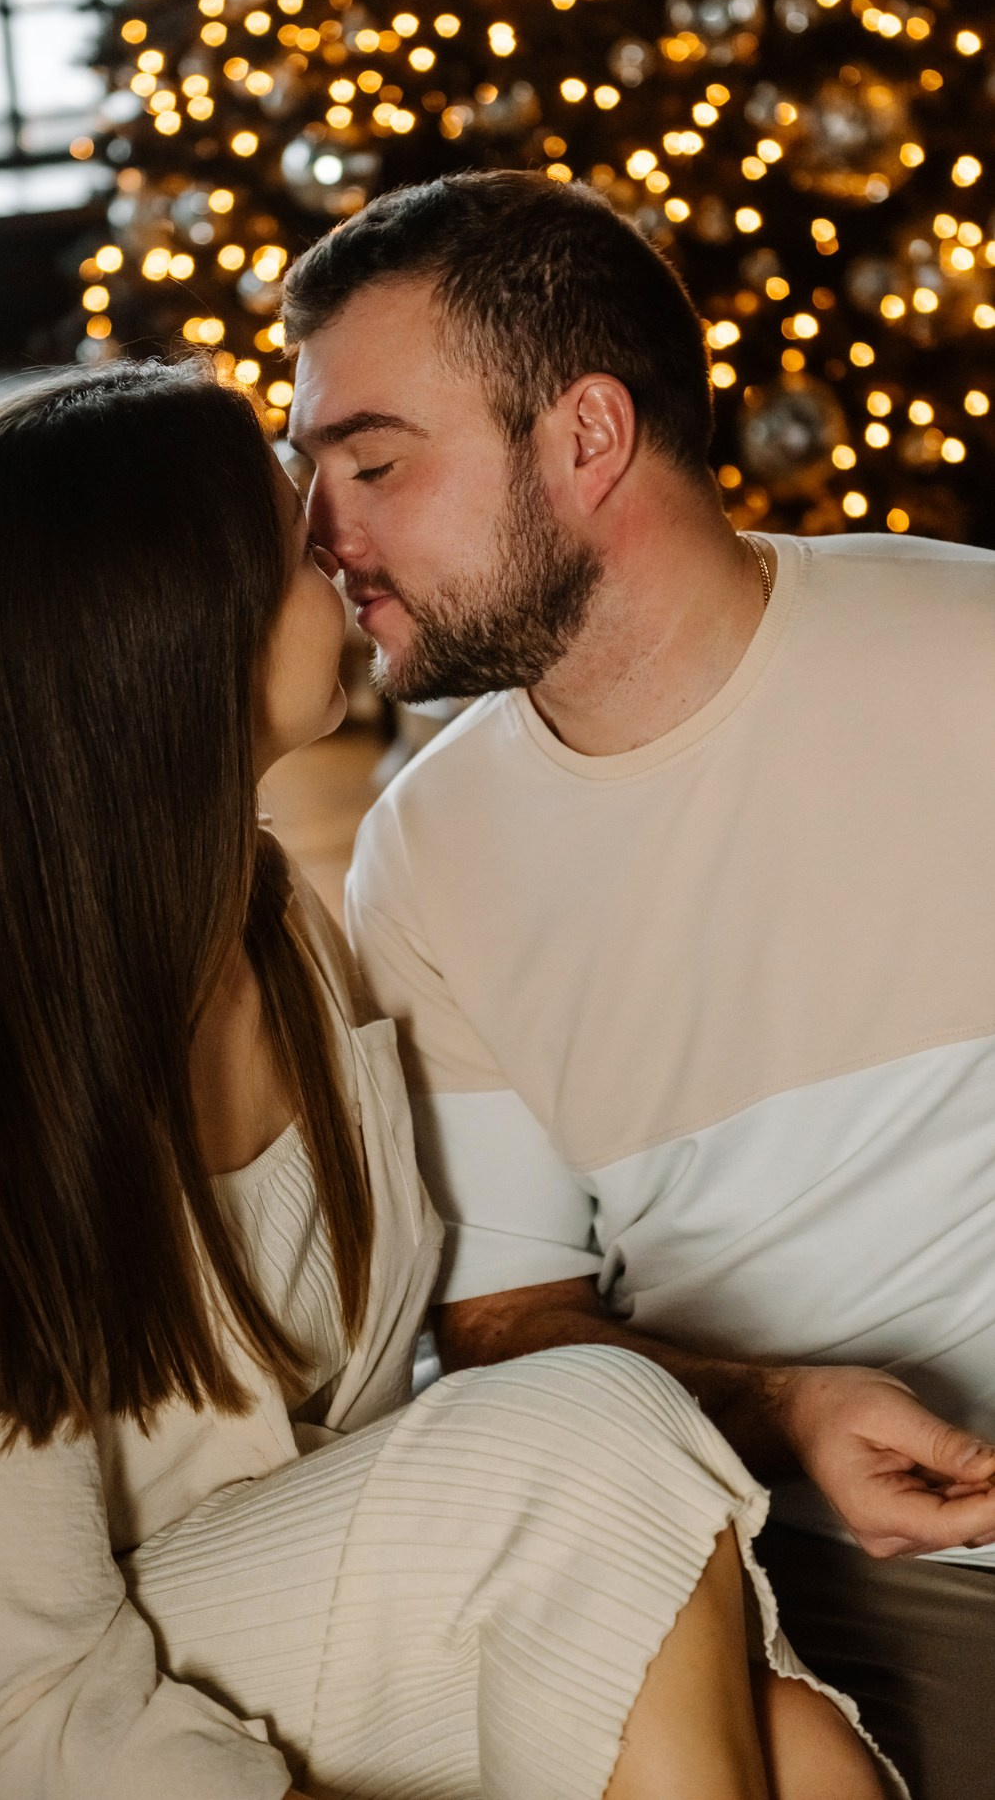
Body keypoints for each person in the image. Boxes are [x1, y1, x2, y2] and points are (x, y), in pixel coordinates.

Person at [0, 360, 892, 1800]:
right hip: (20, 1723)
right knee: (594, 1434)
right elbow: (24, 1711)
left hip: (281, 1607)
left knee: (801, 1750)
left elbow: (364, 1451)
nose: (347, 547)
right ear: (173, 637)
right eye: (297, 544)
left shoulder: (280, 934)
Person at [281, 168, 995, 1799]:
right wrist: (785, 1409)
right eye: (313, 473)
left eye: (376, 464)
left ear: (587, 438)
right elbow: (511, 1323)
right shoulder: (429, 856)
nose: (326, 534)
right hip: (830, 1573)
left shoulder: (973, 658)